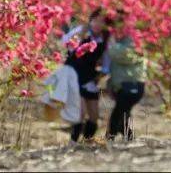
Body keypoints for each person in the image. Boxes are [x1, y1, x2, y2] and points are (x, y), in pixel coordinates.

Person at [60, 8, 111, 143]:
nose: (97, 24)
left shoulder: (104, 39)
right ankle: (73, 142)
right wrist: (77, 41)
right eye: (95, 20)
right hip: (74, 75)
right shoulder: (82, 31)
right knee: (80, 113)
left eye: (101, 22)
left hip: (89, 77)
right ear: (91, 20)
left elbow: (106, 60)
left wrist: (103, 72)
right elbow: (65, 42)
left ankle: (87, 142)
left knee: (94, 116)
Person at [105, 10, 147, 140]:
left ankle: (110, 139)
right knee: (123, 113)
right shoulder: (121, 39)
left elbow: (124, 55)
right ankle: (129, 138)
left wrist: (111, 43)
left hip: (132, 84)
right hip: (121, 84)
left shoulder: (133, 38)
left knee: (118, 114)